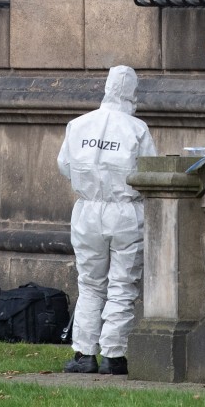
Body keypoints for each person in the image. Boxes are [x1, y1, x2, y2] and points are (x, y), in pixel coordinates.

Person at [57, 65, 156, 376]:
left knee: (89, 284)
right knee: (122, 284)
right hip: (125, 212)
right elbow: (149, 172)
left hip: (87, 212)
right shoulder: (136, 128)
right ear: (132, 92)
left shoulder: (78, 125)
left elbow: (65, 165)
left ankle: (84, 353)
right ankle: (114, 355)